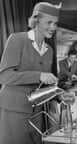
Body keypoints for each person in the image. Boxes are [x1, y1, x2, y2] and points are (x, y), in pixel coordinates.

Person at [0, 2, 60, 144]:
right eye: (49, 22)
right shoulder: (17, 39)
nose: (53, 28)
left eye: (55, 23)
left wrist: (59, 95)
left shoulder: (49, 50)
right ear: (36, 20)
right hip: (14, 110)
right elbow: (4, 75)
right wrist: (38, 75)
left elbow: (42, 86)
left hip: (37, 111)